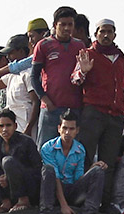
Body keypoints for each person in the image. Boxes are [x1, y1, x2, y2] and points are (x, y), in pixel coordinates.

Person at [72, 19, 124, 181]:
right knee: (85, 157)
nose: (106, 35)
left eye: (109, 32)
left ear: (114, 35)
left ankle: (103, 203)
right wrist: (83, 71)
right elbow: (74, 79)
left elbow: (122, 83)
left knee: (108, 162)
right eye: (102, 31)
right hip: (94, 112)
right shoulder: (88, 54)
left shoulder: (121, 58)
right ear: (96, 34)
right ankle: (80, 199)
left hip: (116, 114)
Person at [40, 111, 105, 214]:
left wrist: (91, 170)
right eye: (64, 128)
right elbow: (56, 177)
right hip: (54, 191)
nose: (67, 132)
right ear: (59, 128)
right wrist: (63, 205)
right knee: (48, 169)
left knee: (98, 171)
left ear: (77, 131)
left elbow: (78, 177)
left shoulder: (80, 149)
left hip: (72, 191)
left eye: (71, 129)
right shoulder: (48, 148)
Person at [31, 6, 83, 146]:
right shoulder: (43, 45)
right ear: (55, 25)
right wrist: (45, 99)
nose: (67, 28)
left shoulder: (80, 46)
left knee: (71, 151)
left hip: (74, 108)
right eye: (63, 24)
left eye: (70, 24)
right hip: (51, 107)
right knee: (45, 149)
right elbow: (34, 76)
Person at [0, 110, 42, 213]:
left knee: (8, 161)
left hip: (27, 185)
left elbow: (37, 169)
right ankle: (3, 202)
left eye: (8, 125)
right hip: (6, 185)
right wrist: (3, 177)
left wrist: (10, 175)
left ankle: (22, 200)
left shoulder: (26, 141)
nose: (5, 129)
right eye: (1, 126)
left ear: (15, 126)